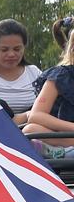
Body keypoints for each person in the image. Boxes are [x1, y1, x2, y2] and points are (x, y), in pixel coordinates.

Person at [0, 19, 42, 126]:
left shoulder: (34, 73)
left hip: (34, 133)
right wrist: (27, 116)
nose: (11, 54)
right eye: (4, 50)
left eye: (17, 49)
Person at [22, 19, 74, 158]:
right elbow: (36, 115)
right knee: (30, 129)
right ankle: (66, 153)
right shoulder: (61, 75)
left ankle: (65, 153)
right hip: (66, 136)